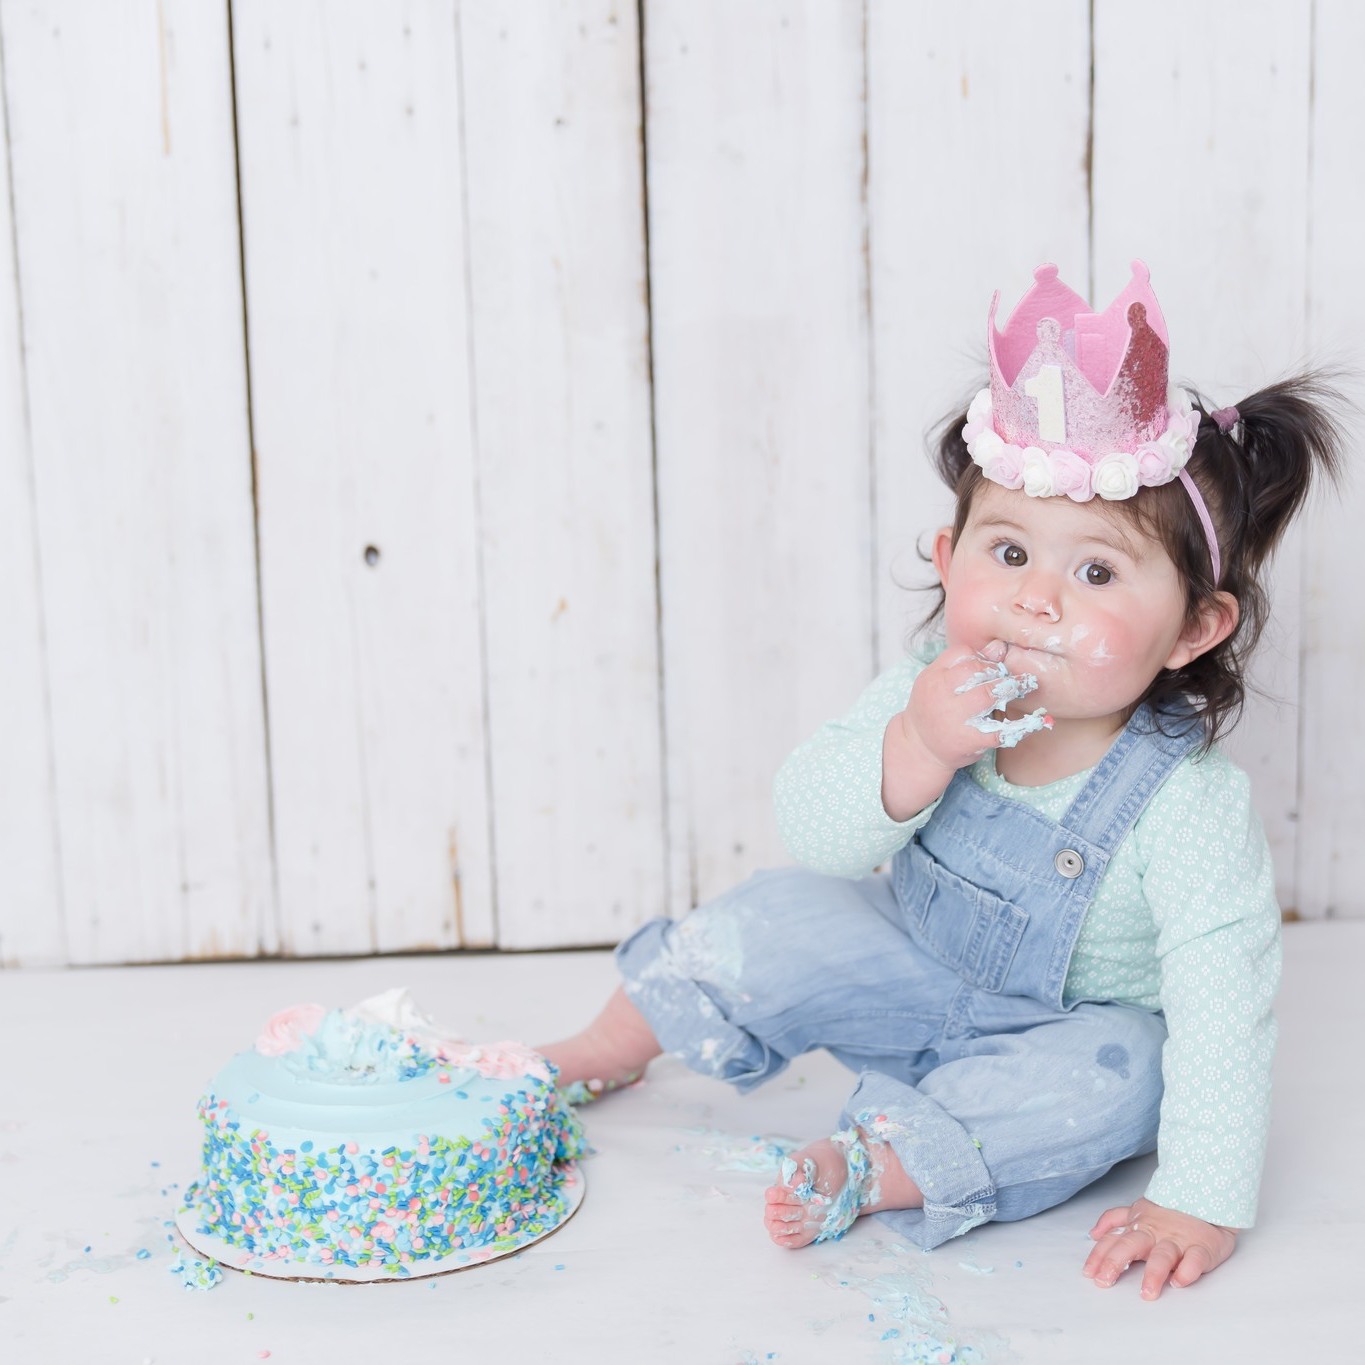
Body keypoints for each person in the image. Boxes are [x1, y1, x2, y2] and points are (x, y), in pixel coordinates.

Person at [539, 262, 1346, 1299]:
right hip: (907, 968)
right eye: (1008, 552)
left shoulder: (1188, 807)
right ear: (947, 552)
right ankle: (598, 1047)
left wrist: (1200, 1194)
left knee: (1119, 1077)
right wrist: (916, 749)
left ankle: (875, 1166)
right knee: (782, 912)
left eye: (1095, 572)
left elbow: (1223, 1006)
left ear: (1196, 626)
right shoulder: (928, 687)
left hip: (1062, 1027)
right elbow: (817, 835)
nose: (1036, 600)